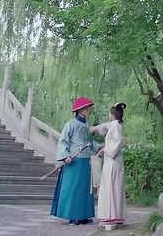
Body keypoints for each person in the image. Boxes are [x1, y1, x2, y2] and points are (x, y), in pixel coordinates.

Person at [51, 96, 100, 225]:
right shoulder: (70, 124)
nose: (87, 110)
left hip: (86, 160)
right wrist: (66, 156)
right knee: (74, 188)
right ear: (79, 110)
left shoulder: (87, 124)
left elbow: (90, 140)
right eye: (85, 108)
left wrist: (98, 148)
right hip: (74, 160)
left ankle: (84, 216)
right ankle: (73, 216)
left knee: (85, 189)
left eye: (87, 108)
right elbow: (63, 141)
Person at [90, 102, 127, 230]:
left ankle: (110, 219)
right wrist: (95, 128)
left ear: (113, 115)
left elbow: (119, 141)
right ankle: (116, 217)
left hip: (113, 161)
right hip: (113, 160)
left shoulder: (115, 126)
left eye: (109, 114)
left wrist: (106, 150)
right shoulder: (115, 125)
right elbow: (105, 126)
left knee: (111, 188)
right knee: (114, 187)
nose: (108, 116)